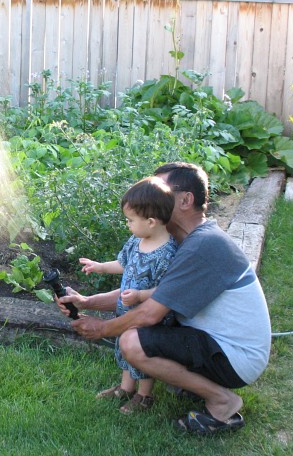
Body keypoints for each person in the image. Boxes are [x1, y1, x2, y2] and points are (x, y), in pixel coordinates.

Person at [58, 162, 271, 435]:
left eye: (160, 190)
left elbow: (150, 313)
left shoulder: (203, 246)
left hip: (235, 358)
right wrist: (87, 302)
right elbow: (135, 295)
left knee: (132, 341)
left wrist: (102, 329)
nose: (151, 197)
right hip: (219, 345)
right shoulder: (182, 242)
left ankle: (222, 400)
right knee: (137, 333)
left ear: (185, 200)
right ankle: (192, 387)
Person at [79, 176, 177, 415]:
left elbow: (167, 290)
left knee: (140, 353)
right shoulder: (137, 240)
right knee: (123, 348)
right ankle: (125, 388)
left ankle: (144, 395)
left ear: (151, 222)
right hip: (126, 311)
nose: (128, 225)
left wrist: (141, 295)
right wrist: (99, 266)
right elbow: (123, 263)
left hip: (149, 319)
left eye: (131, 220)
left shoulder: (168, 253)